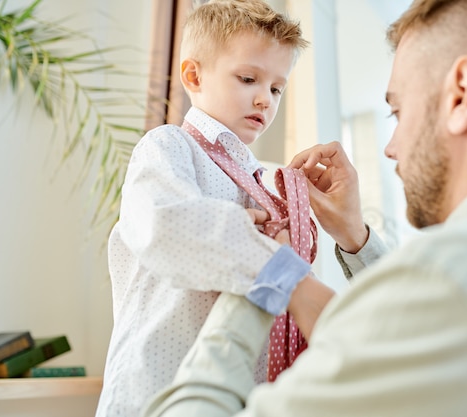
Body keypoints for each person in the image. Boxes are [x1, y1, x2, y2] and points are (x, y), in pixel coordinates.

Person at [143, 0, 467, 416]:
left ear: (462, 94)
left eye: (397, 111)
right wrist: (354, 237)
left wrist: (269, 277)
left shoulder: (449, 284)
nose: (390, 147)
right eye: (248, 79)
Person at [94, 1, 325, 416]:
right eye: (248, 78)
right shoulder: (167, 147)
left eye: (276, 88)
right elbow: (166, 225)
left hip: (235, 394)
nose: (264, 100)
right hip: (158, 388)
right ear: (194, 75)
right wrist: (285, 274)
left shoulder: (268, 185)